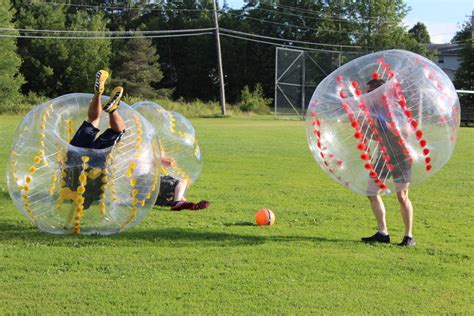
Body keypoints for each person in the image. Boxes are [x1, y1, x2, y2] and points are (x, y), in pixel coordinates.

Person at [361, 78, 416, 247]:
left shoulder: (394, 109)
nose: (366, 96)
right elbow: (374, 137)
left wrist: (382, 124)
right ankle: (382, 232)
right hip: (384, 156)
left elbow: (405, 132)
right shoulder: (373, 111)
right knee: (372, 192)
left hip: (401, 157)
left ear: (379, 93)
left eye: (370, 92)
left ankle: (408, 237)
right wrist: (365, 127)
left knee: (402, 196)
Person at [62, 70, 125, 209]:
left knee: (118, 130)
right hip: (75, 153)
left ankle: (113, 110)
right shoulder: (68, 184)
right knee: (93, 120)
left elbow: (108, 174)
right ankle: (98, 93)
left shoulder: (98, 192)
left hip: (97, 158)